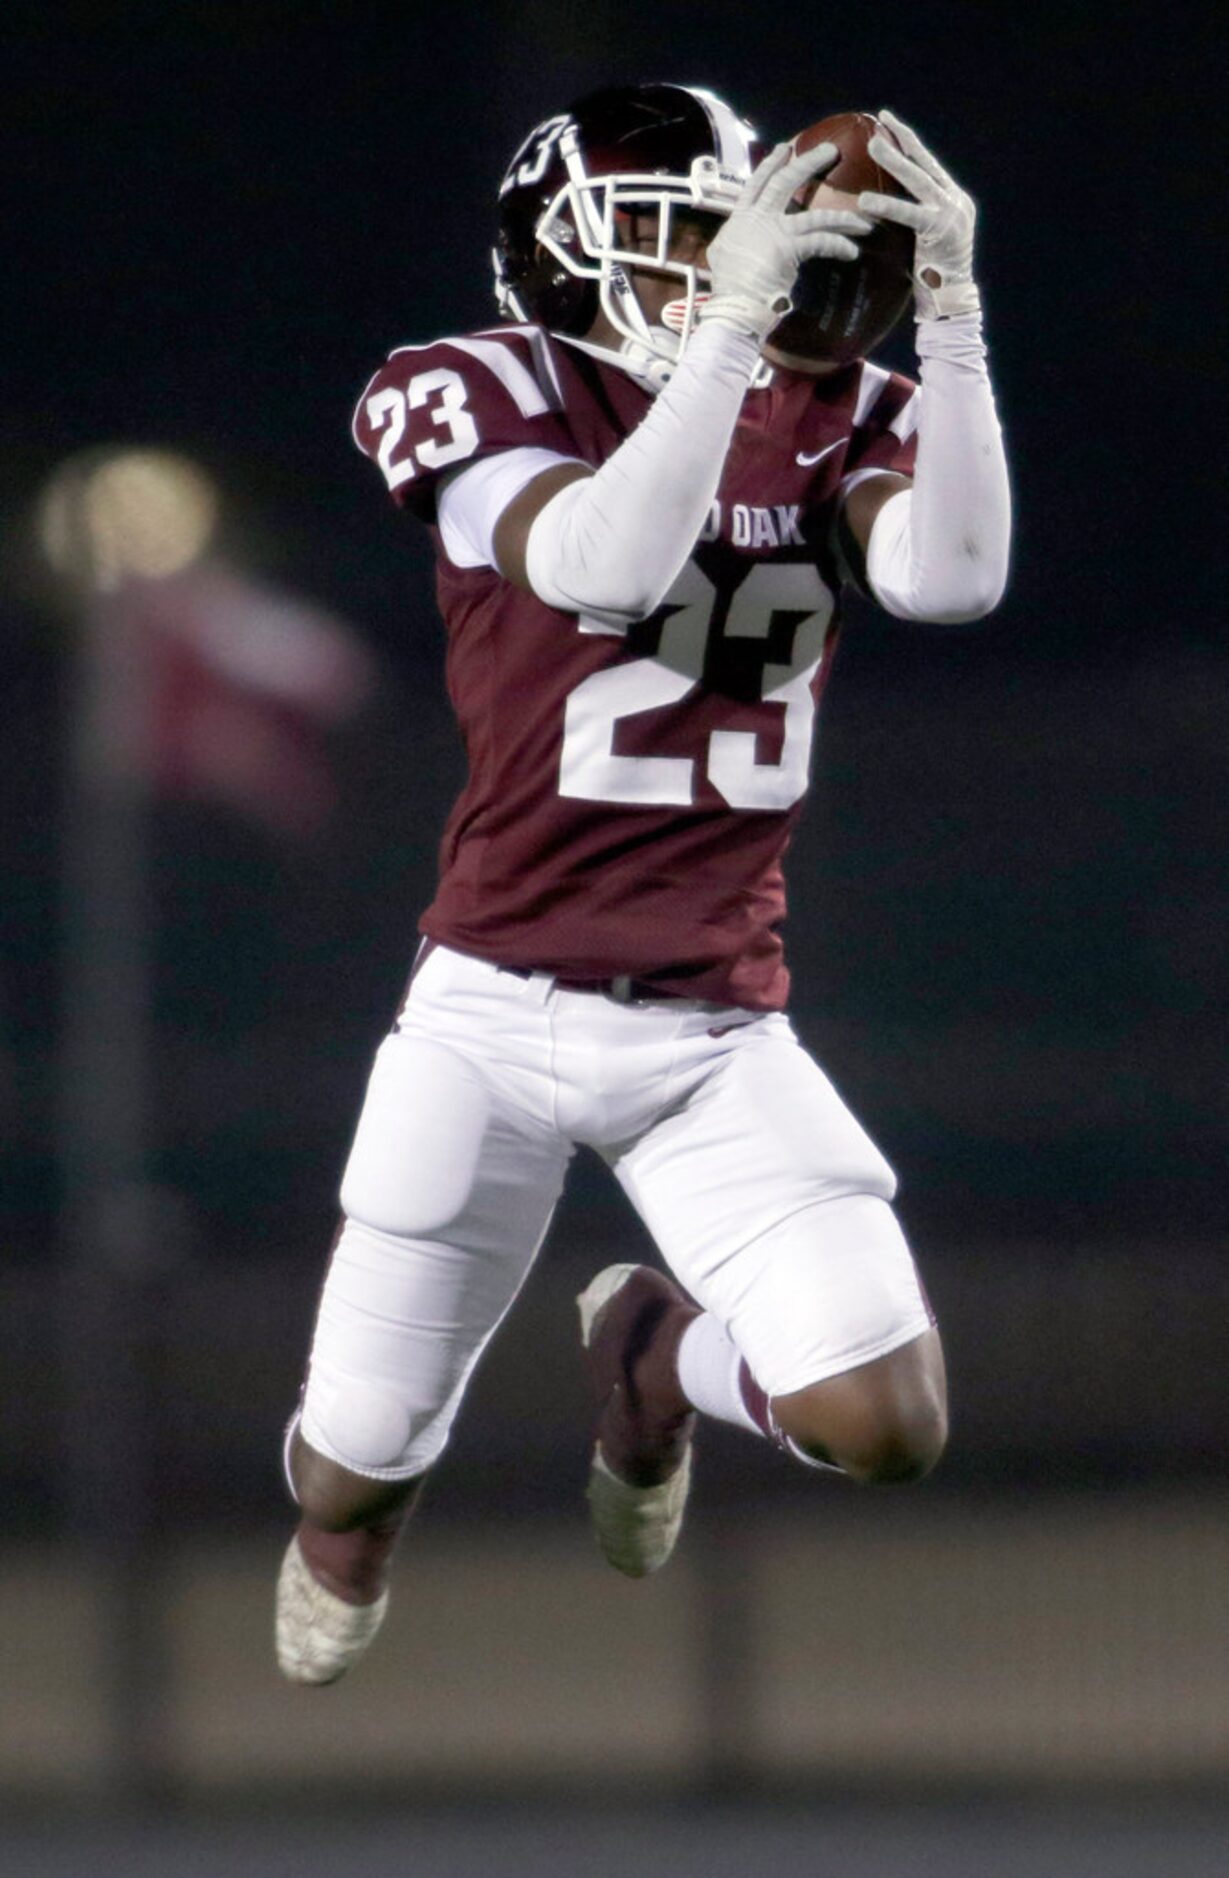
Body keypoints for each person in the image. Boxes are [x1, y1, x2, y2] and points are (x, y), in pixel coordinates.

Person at [275, 83, 1010, 1683]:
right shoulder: (479, 384)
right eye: (679, 243)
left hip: (711, 1033)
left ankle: (660, 1354)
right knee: (353, 1458)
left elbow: (950, 581)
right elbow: (601, 561)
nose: (716, 274)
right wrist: (737, 334)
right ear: (562, 259)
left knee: (883, 1421)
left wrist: (949, 316)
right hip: (488, 1008)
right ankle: (353, 1522)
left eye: (731, 237)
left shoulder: (837, 405)